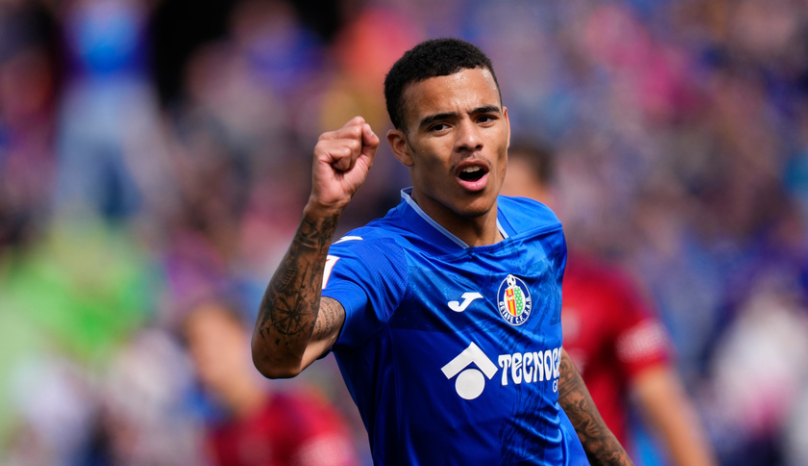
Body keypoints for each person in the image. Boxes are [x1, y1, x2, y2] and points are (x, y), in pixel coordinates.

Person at [251, 38, 633, 465]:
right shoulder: (385, 260)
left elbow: (543, 354)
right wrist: (321, 213)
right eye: (440, 125)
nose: (470, 139)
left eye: (485, 118)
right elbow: (277, 356)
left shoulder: (538, 228)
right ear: (401, 147)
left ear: (506, 125)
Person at [500, 142, 717, 466]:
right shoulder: (461, 302)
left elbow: (665, 407)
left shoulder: (606, 292)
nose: (499, 211)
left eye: (515, 197)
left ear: (549, 200)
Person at [183, 300, 359, 466]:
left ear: (241, 336)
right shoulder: (217, 440)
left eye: (211, 340)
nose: (202, 352)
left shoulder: (296, 413)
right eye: (192, 344)